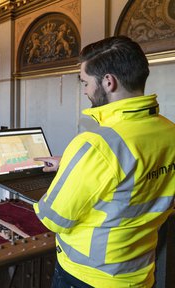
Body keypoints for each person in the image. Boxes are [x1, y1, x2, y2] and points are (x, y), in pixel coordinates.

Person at [33, 36, 175, 288]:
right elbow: (136, 177)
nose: (86, 90)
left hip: (87, 275)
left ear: (108, 82)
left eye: (85, 83)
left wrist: (71, 170)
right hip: (140, 273)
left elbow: (53, 217)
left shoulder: (97, 144)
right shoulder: (169, 131)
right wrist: (74, 163)